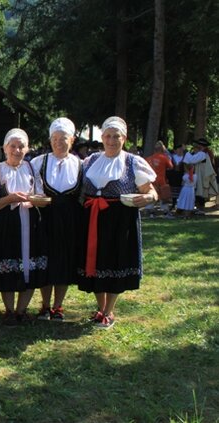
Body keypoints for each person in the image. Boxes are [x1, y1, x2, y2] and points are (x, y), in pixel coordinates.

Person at [78, 116, 157, 329]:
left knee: (115, 260)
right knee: (95, 262)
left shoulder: (133, 162)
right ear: (102, 138)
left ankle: (108, 311)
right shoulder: (90, 161)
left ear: (124, 138)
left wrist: (148, 198)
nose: (112, 140)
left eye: (116, 136)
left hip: (120, 220)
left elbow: (151, 192)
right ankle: (100, 306)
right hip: (93, 218)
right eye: (108, 136)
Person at [0, 128, 48, 325]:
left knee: (30, 265)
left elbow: (42, 198)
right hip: (6, 224)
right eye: (13, 146)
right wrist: (9, 198)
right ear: (5, 148)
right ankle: (9, 310)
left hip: (31, 222)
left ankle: (21, 310)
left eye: (21, 146)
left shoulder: (32, 169)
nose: (17, 150)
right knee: (7, 265)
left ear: (27, 149)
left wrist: (36, 200)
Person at [30, 118, 82, 321]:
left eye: (63, 138)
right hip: (45, 218)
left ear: (73, 140)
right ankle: (44, 305)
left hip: (69, 220)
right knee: (46, 260)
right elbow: (30, 188)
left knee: (64, 261)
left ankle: (58, 306)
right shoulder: (38, 162)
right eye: (55, 138)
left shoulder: (81, 164)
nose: (59, 142)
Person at [183, 138, 217, 212]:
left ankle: (201, 209)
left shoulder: (203, 153)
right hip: (202, 174)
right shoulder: (206, 152)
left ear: (201, 146)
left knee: (200, 191)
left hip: (202, 175)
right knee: (200, 191)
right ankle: (199, 208)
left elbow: (192, 160)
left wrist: (186, 152)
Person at [145, 141, 174, 216]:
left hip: (151, 180)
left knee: (152, 195)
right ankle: (165, 212)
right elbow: (171, 166)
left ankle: (150, 212)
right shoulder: (164, 158)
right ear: (162, 149)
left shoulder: (148, 159)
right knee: (163, 197)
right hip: (161, 180)